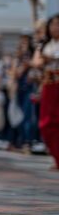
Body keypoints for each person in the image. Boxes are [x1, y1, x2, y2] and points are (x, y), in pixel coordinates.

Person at [34, 14, 59, 168]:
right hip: (49, 87)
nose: (55, 27)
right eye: (53, 24)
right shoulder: (44, 44)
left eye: (58, 24)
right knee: (46, 124)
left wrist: (51, 59)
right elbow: (36, 61)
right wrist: (45, 59)